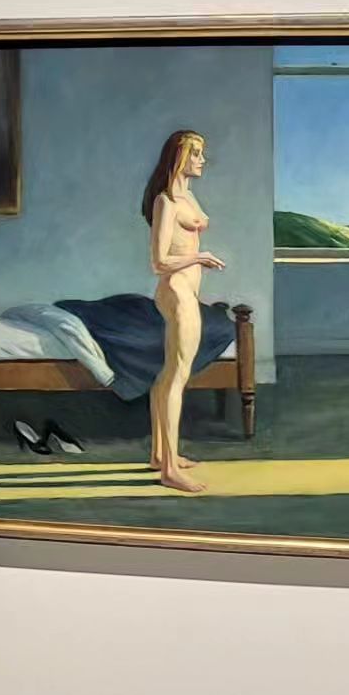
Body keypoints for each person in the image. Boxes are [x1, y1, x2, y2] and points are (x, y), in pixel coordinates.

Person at [140, 129, 225, 492]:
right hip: (176, 290)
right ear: (179, 157)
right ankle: (170, 471)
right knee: (177, 377)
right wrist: (198, 257)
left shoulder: (187, 195)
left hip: (185, 290)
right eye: (196, 153)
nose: (202, 160)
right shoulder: (166, 201)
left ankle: (160, 455)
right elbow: (158, 262)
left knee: (169, 374)